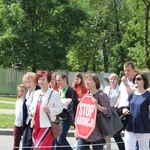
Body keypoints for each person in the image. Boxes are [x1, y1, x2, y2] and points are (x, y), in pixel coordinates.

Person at [76, 72, 111, 150]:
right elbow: (80, 114)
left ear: (96, 82)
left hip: (97, 133)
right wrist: (77, 129)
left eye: (90, 80)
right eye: (86, 80)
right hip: (84, 132)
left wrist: (97, 106)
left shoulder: (102, 95)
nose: (87, 82)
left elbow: (108, 112)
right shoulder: (85, 95)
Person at [30, 70, 63, 150]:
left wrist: (50, 110)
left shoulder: (54, 93)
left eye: (43, 79)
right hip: (36, 124)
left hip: (47, 124)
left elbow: (60, 109)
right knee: (36, 147)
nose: (41, 81)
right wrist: (31, 112)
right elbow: (32, 106)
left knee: (40, 147)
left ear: (48, 80)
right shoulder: (36, 93)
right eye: (39, 79)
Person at [122, 73, 150, 150]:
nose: (136, 80)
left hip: (143, 125)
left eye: (138, 79)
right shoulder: (131, 95)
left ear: (144, 81)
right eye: (135, 79)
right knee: (129, 148)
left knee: (144, 148)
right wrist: (124, 110)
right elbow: (127, 106)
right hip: (130, 124)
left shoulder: (148, 95)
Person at [114, 62, 136, 150]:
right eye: (125, 70)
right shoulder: (123, 82)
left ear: (133, 70)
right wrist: (116, 106)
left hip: (129, 111)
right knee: (115, 133)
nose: (126, 72)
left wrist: (126, 83)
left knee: (130, 135)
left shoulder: (137, 81)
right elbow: (121, 95)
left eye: (129, 70)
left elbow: (131, 95)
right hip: (120, 110)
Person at [55, 73, 78, 150]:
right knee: (56, 142)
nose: (57, 82)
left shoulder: (71, 91)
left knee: (60, 139)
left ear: (65, 80)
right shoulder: (57, 91)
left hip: (65, 118)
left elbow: (74, 105)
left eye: (59, 80)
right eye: (56, 80)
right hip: (57, 118)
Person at [22, 72, 41, 150]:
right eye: (26, 82)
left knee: (34, 144)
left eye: (30, 81)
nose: (28, 84)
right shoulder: (27, 92)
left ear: (35, 82)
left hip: (36, 122)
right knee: (25, 143)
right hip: (28, 121)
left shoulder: (39, 91)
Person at [104, 73, 120, 150]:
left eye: (114, 79)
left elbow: (120, 100)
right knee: (107, 134)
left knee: (116, 134)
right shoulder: (106, 88)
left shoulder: (120, 89)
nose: (112, 80)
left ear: (117, 80)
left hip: (115, 112)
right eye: (111, 79)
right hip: (106, 112)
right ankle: (108, 148)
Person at [13, 84, 26, 150]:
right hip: (17, 124)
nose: (21, 93)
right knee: (16, 141)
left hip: (24, 124)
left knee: (25, 142)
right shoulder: (18, 101)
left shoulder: (26, 101)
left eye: (23, 91)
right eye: (20, 91)